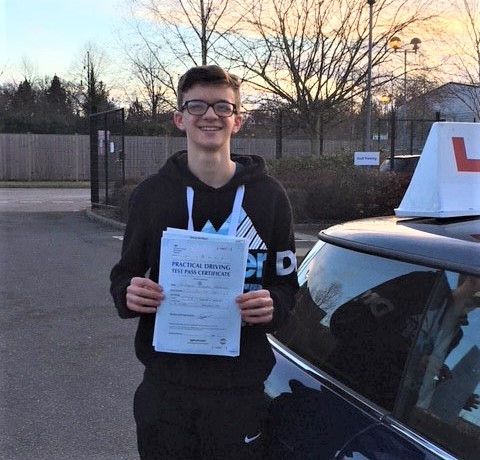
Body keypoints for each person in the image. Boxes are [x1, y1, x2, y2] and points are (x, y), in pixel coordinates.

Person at [110, 65, 299, 460]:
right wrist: (130, 294)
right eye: (196, 106)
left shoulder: (269, 197)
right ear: (179, 119)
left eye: (222, 107)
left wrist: (273, 305)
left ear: (238, 120)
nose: (209, 115)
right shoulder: (151, 195)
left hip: (239, 391)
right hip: (166, 389)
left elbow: (287, 286)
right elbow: (124, 274)